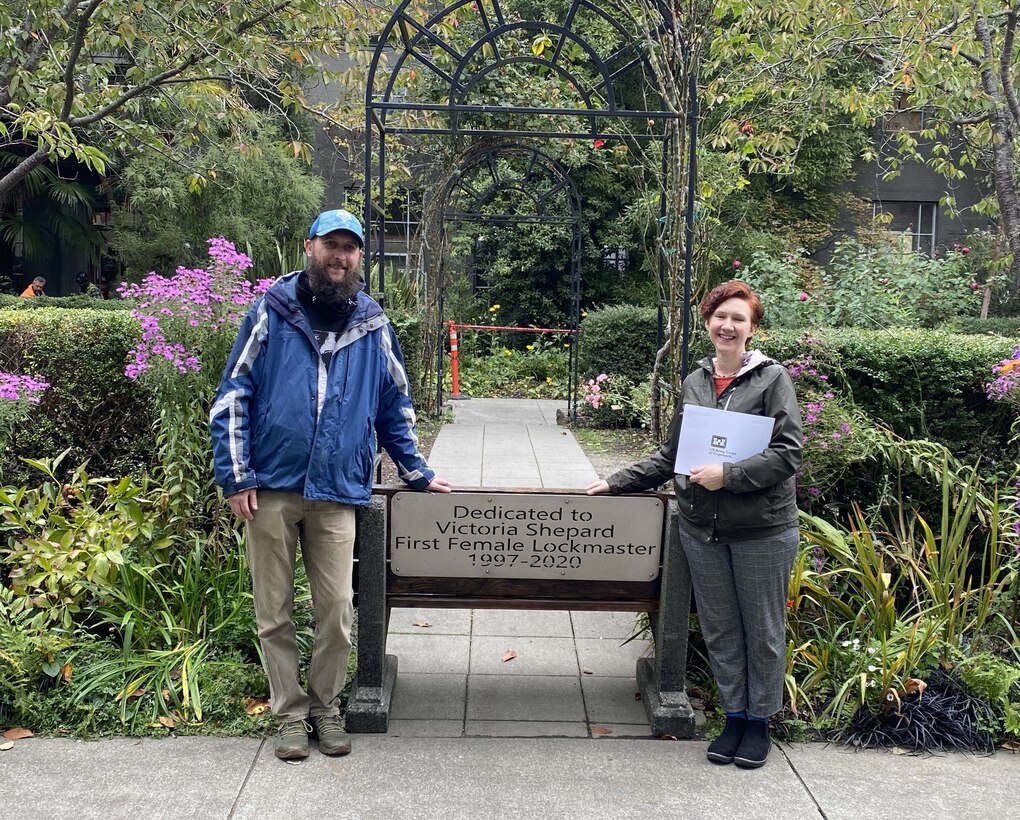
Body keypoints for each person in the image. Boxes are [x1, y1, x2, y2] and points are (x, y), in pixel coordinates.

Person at [210, 208, 451, 761]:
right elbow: (233, 396)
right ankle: (289, 715)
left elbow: (395, 404)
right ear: (308, 248)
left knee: (338, 610)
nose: (340, 257)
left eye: (350, 248)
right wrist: (237, 475)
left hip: (338, 490)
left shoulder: (373, 324)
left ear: (360, 256)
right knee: (273, 611)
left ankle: (324, 705)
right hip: (270, 487)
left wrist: (417, 472)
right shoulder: (271, 312)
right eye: (330, 245)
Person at [586, 280, 802, 769]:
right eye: (720, 316)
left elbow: (788, 453)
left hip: (760, 530)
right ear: (708, 320)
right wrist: (617, 482)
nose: (728, 326)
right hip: (701, 529)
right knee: (721, 628)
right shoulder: (696, 380)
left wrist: (729, 475)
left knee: (762, 630)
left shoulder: (773, 380)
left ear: (752, 328)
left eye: (738, 319)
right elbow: (674, 454)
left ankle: (759, 723)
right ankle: (734, 715)